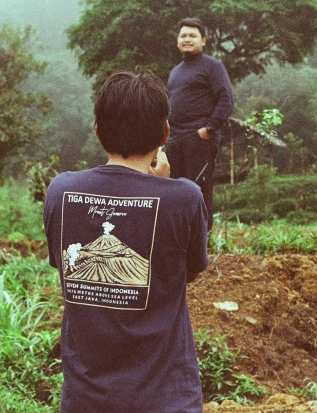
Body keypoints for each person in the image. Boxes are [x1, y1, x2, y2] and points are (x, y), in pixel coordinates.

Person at [43, 71, 209, 413]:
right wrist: (162, 184)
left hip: (86, 401)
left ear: (98, 131)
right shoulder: (185, 198)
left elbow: (64, 266)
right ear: (164, 133)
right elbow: (187, 273)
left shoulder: (61, 191)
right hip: (168, 399)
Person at [165, 17, 234, 231]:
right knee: (175, 190)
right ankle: (181, 237)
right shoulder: (175, 72)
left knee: (199, 189)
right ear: (177, 41)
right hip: (174, 140)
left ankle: (203, 240)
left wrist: (208, 129)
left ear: (203, 40)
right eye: (183, 35)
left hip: (199, 139)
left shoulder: (213, 66)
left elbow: (226, 99)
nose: (187, 39)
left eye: (192, 36)